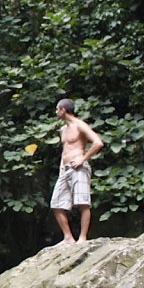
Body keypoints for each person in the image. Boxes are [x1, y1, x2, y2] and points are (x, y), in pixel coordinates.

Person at [50, 98, 103, 244]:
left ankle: (83, 238)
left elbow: (98, 142)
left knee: (83, 203)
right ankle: (68, 237)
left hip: (78, 167)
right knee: (56, 204)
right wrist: (61, 167)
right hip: (65, 169)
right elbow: (65, 150)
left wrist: (83, 159)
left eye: (57, 109)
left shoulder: (80, 125)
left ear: (63, 110)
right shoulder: (63, 129)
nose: (56, 112)